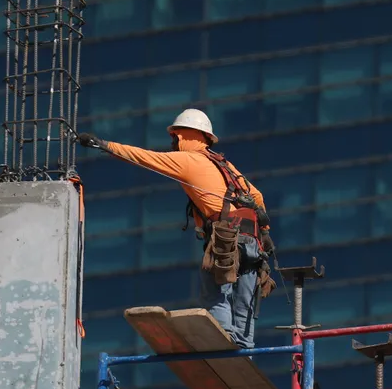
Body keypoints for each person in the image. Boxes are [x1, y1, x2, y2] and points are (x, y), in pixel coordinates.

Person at [78, 109, 276, 348]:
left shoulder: (187, 160)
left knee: (217, 291)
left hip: (227, 236)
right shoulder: (224, 164)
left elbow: (143, 157)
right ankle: (245, 348)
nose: (172, 143)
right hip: (252, 238)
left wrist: (104, 145)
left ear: (184, 136)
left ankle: (224, 341)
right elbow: (256, 195)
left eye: (175, 137)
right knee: (244, 298)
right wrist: (264, 230)